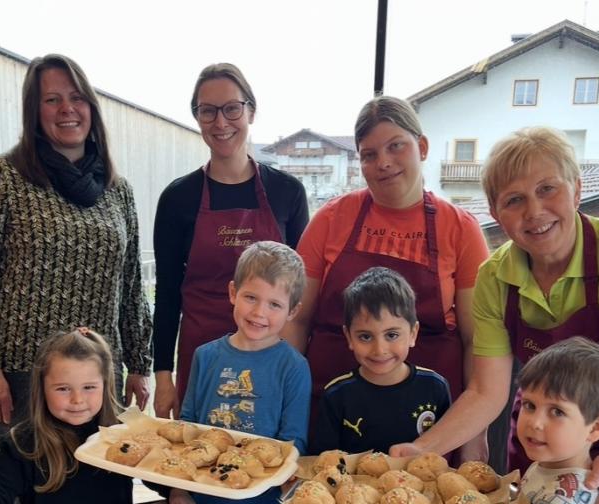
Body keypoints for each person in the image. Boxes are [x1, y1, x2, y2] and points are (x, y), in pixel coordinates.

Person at [392, 126, 599, 504]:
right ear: (496, 213)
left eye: (547, 189)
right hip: (542, 423)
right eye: (514, 200)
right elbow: (486, 391)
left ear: (576, 190)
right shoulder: (495, 278)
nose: (534, 212)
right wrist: (422, 449)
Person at [0, 53, 152, 436]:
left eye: (77, 98)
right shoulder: (3, 176)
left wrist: (140, 363)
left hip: (98, 373)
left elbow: (130, 286)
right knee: (27, 472)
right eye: (52, 99)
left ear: (91, 107)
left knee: (99, 470)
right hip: (23, 374)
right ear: (34, 110)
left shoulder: (118, 191)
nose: (67, 109)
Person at [283, 96, 489, 460]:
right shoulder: (331, 219)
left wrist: (474, 436)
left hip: (430, 428)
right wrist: (286, 410)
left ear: (422, 147)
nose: (384, 163)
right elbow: (296, 320)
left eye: (396, 146)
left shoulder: (460, 228)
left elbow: (476, 341)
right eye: (369, 154)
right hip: (332, 418)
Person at [152, 63, 309, 419]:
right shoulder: (178, 198)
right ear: (197, 117)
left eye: (232, 109)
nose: (221, 122)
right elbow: (167, 293)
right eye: (208, 111)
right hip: (201, 357)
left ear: (251, 111)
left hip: (269, 359)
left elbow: (302, 291)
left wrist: (295, 365)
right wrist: (163, 375)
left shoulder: (287, 192)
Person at [173, 241, 312, 504]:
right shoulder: (205, 356)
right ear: (233, 292)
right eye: (251, 298)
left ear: (292, 311)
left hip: (261, 498)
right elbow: (187, 426)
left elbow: (293, 444)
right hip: (203, 493)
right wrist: (179, 489)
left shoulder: (294, 367)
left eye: (274, 304)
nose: (259, 312)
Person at [0, 327, 132, 503]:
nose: (77, 400)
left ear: (105, 385)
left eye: (89, 387)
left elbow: (153, 477)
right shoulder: (22, 444)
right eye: (63, 389)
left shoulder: (126, 436)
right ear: (42, 389)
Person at [309, 267, 451, 455]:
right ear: (349, 337)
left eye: (391, 335)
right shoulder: (336, 395)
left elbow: (442, 455)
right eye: (365, 337)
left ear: (413, 333)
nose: (379, 350)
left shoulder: (435, 387)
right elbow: (324, 461)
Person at [516, 337, 599, 504]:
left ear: (595, 428)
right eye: (530, 405)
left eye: (557, 412)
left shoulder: (566, 498)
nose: (535, 423)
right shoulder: (546, 464)